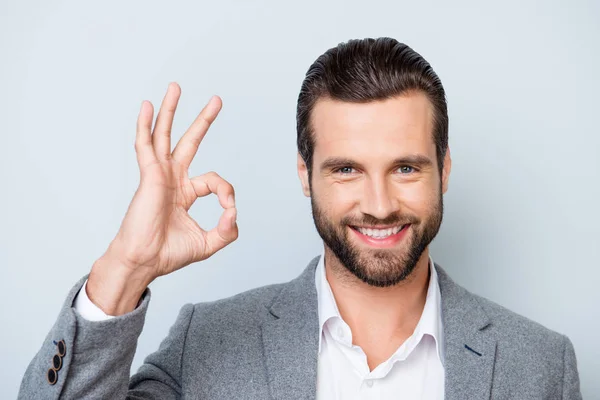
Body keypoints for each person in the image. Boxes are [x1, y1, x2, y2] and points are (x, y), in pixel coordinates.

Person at [18, 37, 582, 400]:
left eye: (406, 167)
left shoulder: (541, 365)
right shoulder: (207, 343)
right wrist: (126, 266)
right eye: (346, 170)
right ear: (304, 173)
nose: (380, 203)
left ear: (445, 169)